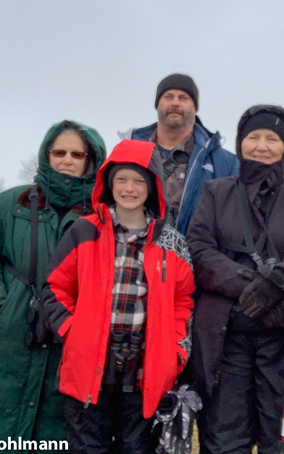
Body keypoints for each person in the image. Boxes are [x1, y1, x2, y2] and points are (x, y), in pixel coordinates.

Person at [187, 105, 284, 454]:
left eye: (272, 138)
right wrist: (250, 287)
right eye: (253, 137)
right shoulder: (216, 193)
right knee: (224, 441)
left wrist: (280, 280)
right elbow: (198, 250)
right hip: (227, 343)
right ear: (241, 142)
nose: (261, 146)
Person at [0, 120, 106, 452]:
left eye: (76, 154)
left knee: (54, 424)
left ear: (90, 160)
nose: (67, 160)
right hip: (10, 334)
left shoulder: (100, 215)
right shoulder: (11, 203)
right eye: (59, 152)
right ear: (47, 155)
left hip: (66, 336)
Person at [41, 139, 195, 453]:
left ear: (152, 188)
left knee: (136, 447)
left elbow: (185, 301)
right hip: (89, 368)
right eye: (122, 179)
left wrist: (176, 349)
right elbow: (55, 288)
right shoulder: (84, 231)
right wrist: (72, 332)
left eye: (139, 181)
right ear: (109, 183)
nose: (129, 188)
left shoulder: (171, 242)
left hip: (145, 372)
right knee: (87, 446)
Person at [121, 73, 239, 234]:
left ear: (195, 108)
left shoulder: (225, 163)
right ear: (157, 105)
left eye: (183, 98)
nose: (175, 103)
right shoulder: (128, 151)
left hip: (195, 256)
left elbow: (233, 220)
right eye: (168, 97)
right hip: (134, 253)